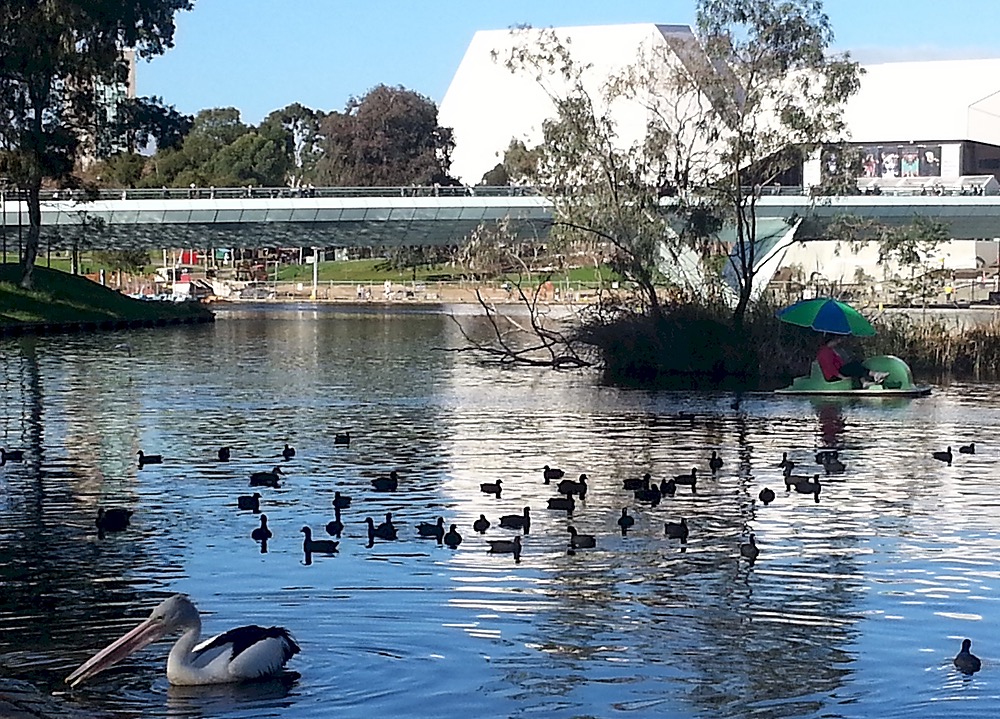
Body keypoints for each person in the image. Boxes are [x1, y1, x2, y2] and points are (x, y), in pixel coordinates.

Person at [816, 335, 888, 388]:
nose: (838, 342)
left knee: (854, 365)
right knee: (854, 366)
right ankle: (874, 375)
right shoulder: (825, 352)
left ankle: (865, 382)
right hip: (833, 376)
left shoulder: (829, 350)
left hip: (838, 372)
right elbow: (831, 368)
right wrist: (842, 377)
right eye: (836, 340)